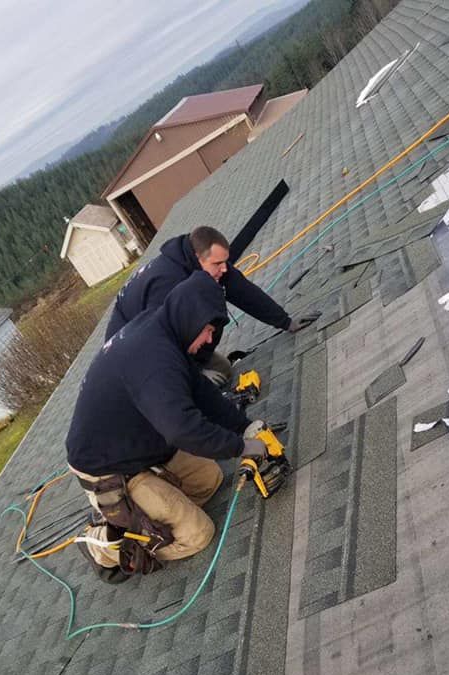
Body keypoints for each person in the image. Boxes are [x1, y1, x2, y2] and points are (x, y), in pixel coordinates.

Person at [66, 271, 268, 582]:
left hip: (142, 446)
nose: (209, 340)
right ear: (191, 317)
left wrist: (245, 427)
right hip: (108, 469)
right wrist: (242, 448)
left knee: (209, 480)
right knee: (198, 534)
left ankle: (151, 508)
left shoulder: (166, 329)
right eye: (209, 330)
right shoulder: (154, 359)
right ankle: (106, 545)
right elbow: (183, 429)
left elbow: (203, 396)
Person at [105, 225, 317, 385]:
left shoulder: (210, 264)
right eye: (218, 264)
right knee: (196, 391)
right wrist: (195, 376)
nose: (224, 269)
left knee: (223, 371)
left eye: (225, 262)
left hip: (168, 343)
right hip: (135, 357)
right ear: (198, 257)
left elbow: (243, 291)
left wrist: (286, 322)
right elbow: (161, 344)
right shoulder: (167, 285)